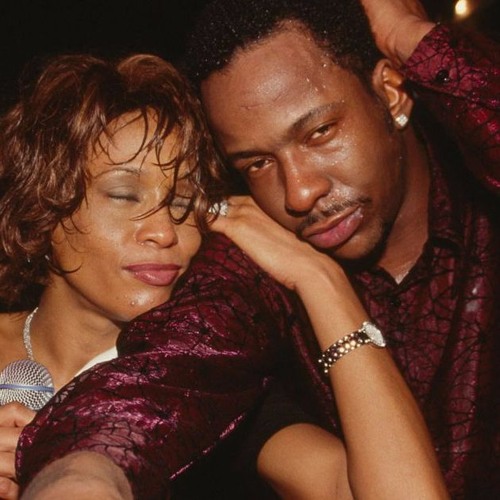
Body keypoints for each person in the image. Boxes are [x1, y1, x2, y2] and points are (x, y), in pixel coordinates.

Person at [1, 50, 446, 500]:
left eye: (182, 204)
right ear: (42, 204)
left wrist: (319, 278)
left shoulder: (206, 386)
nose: (164, 231)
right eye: (124, 195)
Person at [180, 0, 500, 498]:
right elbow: (165, 366)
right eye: (258, 163)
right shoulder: (258, 266)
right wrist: (87, 464)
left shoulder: (483, 205)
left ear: (391, 94)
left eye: (320, 132)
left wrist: (413, 38)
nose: (299, 192)